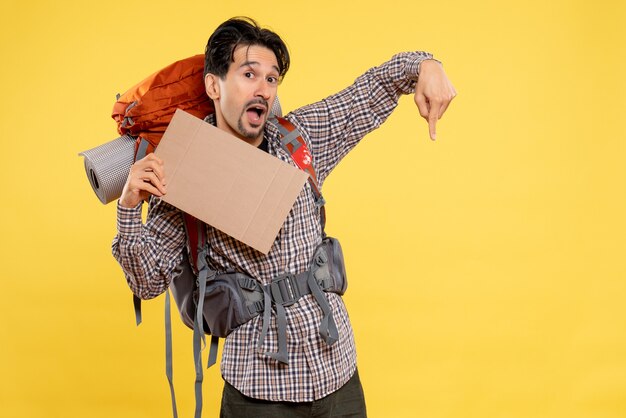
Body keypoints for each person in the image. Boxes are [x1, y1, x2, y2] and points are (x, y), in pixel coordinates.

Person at [112, 17, 456, 417]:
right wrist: (128, 210)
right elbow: (146, 281)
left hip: (337, 374)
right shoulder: (183, 173)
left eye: (272, 78)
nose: (263, 88)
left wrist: (425, 65)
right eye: (249, 73)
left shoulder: (299, 140)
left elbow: (371, 90)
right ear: (213, 85)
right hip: (257, 391)